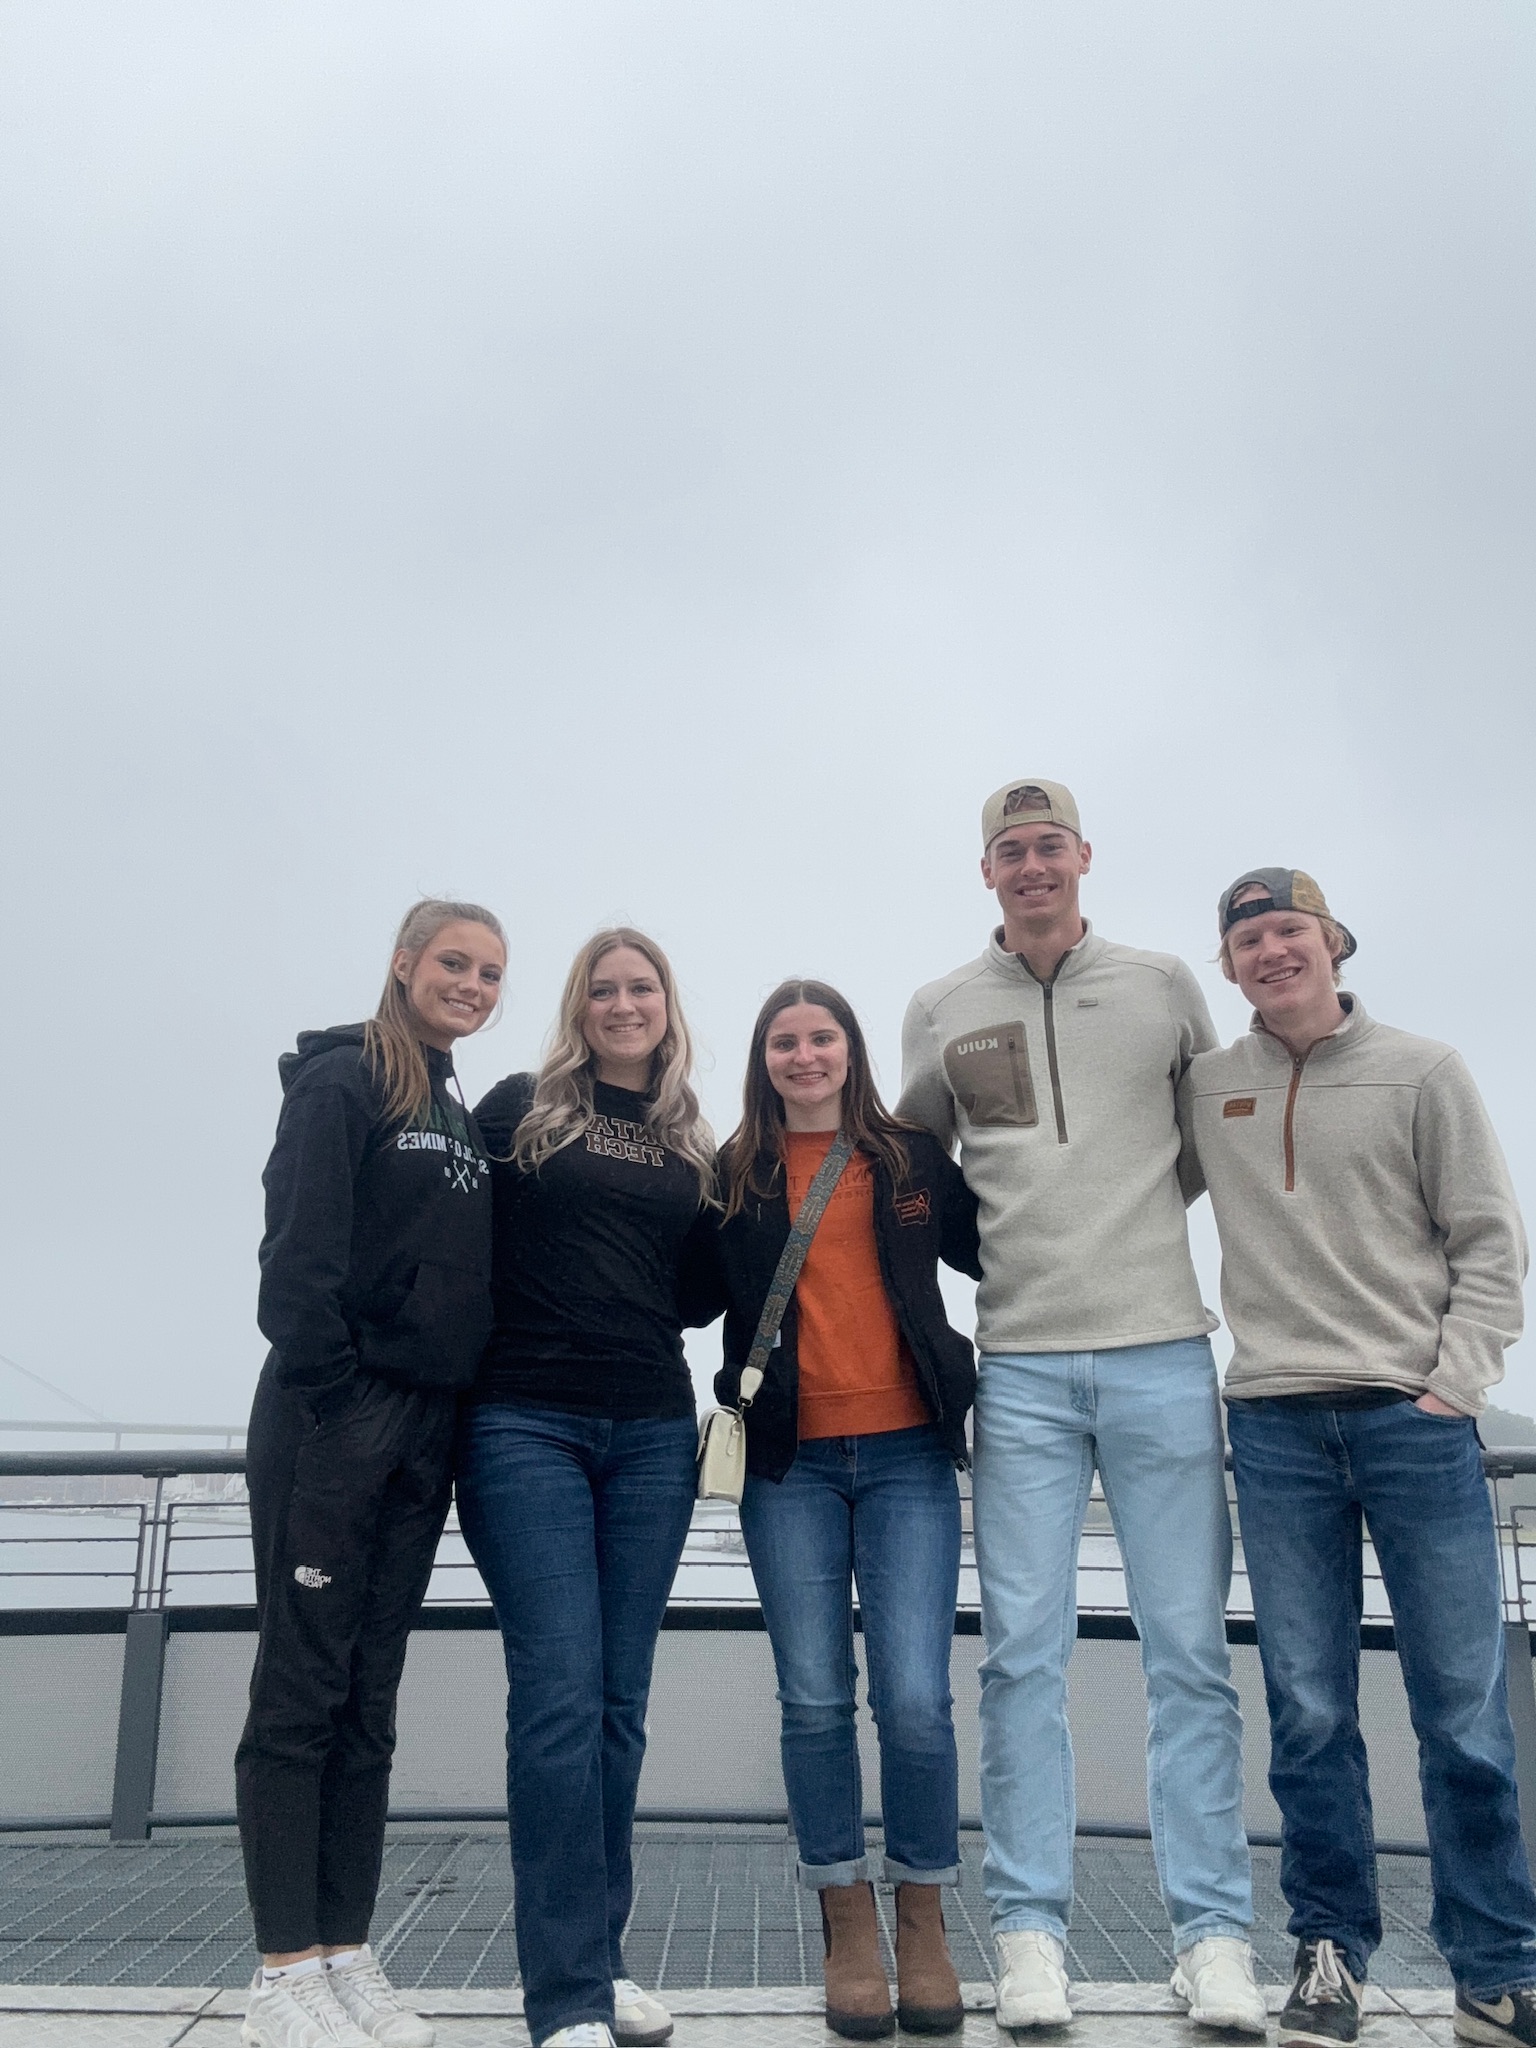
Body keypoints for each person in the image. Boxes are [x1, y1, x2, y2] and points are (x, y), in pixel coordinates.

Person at [898, 779, 1265, 2037]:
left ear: (1085, 856)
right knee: (1020, 1661)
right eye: (1011, 850)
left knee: (1192, 1660)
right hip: (1024, 1369)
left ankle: (1213, 1935)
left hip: (1165, 1350)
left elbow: (1208, 1140)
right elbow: (918, 1168)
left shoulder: (1165, 982)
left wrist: (1123, 1240)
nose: (1033, 863)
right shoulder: (941, 1007)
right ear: (986, 871)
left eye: (1050, 844)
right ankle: (1030, 1931)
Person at [1183, 868, 1536, 2048]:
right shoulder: (1208, 1084)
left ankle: (1492, 1970)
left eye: (1289, 929)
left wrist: (1455, 1385)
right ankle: (1329, 1950)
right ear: (1227, 966)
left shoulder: (1425, 1069)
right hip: (1274, 1426)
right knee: (1310, 1709)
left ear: (1332, 940)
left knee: (1464, 1712)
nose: (1271, 950)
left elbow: (1491, 1239)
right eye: (1247, 937)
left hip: (1412, 1420)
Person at [237, 899, 507, 2048]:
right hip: (334, 1418)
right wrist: (342, 1394)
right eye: (455, 962)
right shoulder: (343, 1082)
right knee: (302, 1689)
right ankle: (281, 1970)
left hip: (424, 1426)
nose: (474, 984)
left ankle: (345, 1948)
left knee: (369, 1696)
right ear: (404, 963)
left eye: (492, 971)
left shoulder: (449, 1099)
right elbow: (297, 1259)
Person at [455, 928, 717, 2048]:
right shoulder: (521, 1108)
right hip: (525, 1424)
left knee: (616, 1706)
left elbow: (701, 1298)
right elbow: (436, 1222)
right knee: (560, 1697)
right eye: (603, 988)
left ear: (667, 1005)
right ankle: (561, 1993)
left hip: (654, 1431)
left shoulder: (691, 1140)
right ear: (580, 1004)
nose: (623, 1003)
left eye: (641, 986)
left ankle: (602, 1963)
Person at [707, 980, 982, 2040]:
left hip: (910, 1452)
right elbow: (680, 1286)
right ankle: (846, 1918)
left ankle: (924, 1916)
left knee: (914, 1696)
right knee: (815, 1696)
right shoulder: (733, 1171)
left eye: (822, 1036)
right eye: (785, 1039)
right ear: (762, 1056)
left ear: (852, 1049)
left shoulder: (907, 1153)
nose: (805, 1054)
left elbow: (995, 1247)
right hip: (790, 1465)